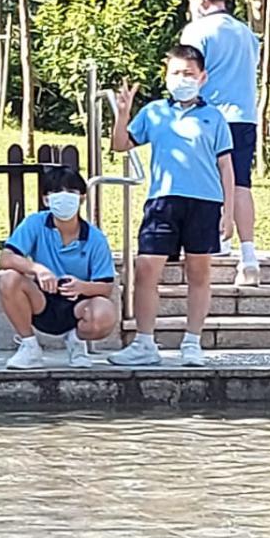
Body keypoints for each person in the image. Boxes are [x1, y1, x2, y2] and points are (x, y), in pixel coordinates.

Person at [109, 44, 235, 368]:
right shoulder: (154, 112)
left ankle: (192, 342)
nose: (182, 79)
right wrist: (122, 115)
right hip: (162, 200)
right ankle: (144, 342)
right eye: (176, 73)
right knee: (146, 268)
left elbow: (226, 166)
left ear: (203, 77)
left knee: (199, 272)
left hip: (204, 202)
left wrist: (229, 212)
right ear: (166, 76)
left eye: (189, 73)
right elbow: (120, 145)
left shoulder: (214, 117)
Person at [182, 0, 263, 288]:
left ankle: (214, 241)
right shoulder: (246, 34)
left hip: (209, 116)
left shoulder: (197, 31)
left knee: (204, 181)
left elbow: (188, 74)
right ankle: (248, 256)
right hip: (244, 116)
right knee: (241, 182)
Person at [0, 166, 120, 369]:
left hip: (78, 304)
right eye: (56, 192)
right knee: (9, 278)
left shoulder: (95, 238)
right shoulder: (35, 223)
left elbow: (106, 286)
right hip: (41, 300)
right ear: (46, 199)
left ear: (82, 198)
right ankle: (29, 346)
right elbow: (6, 258)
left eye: (71, 192)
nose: (64, 197)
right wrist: (37, 269)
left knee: (104, 312)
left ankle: (76, 341)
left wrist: (82, 286)